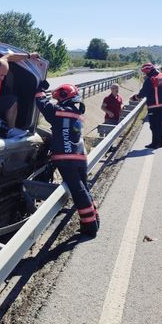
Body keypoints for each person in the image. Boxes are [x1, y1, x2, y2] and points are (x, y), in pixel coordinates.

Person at [34, 82, 99, 237]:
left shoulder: (60, 112)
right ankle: (94, 219)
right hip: (79, 157)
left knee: (78, 192)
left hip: (66, 159)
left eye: (58, 99)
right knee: (84, 190)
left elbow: (44, 106)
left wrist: (39, 90)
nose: (57, 102)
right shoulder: (76, 113)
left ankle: (90, 228)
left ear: (64, 97)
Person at [130, 63, 162, 149]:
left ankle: (155, 143)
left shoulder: (150, 79)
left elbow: (143, 93)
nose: (145, 74)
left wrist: (135, 97)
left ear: (148, 71)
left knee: (153, 125)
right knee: (159, 124)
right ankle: (159, 143)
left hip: (154, 106)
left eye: (145, 72)